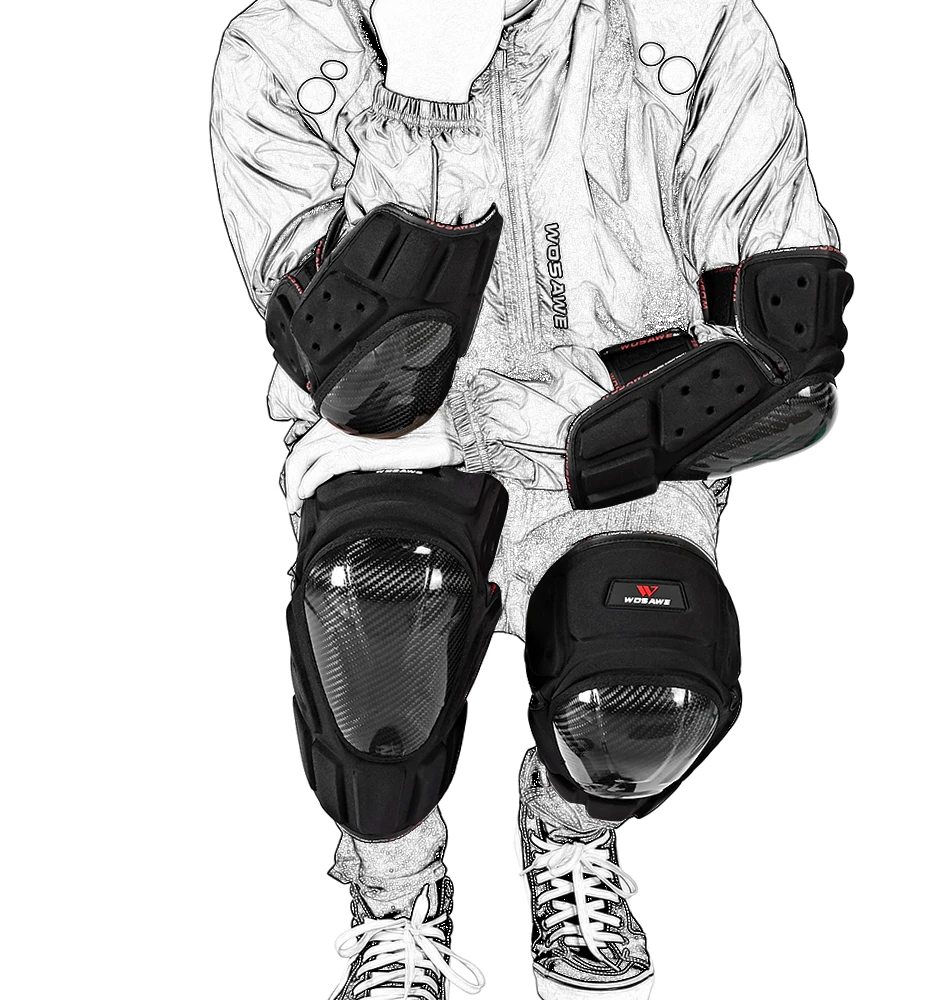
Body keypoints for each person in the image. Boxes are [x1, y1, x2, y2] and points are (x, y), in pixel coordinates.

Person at [210, 0, 852, 997]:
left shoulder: (695, 24)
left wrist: (668, 402)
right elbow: (360, 364)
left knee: (648, 688)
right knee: (379, 603)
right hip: (406, 440)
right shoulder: (290, 46)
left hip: (615, 429)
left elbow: (784, 319)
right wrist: (425, 96)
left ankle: (568, 835)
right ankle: (397, 900)